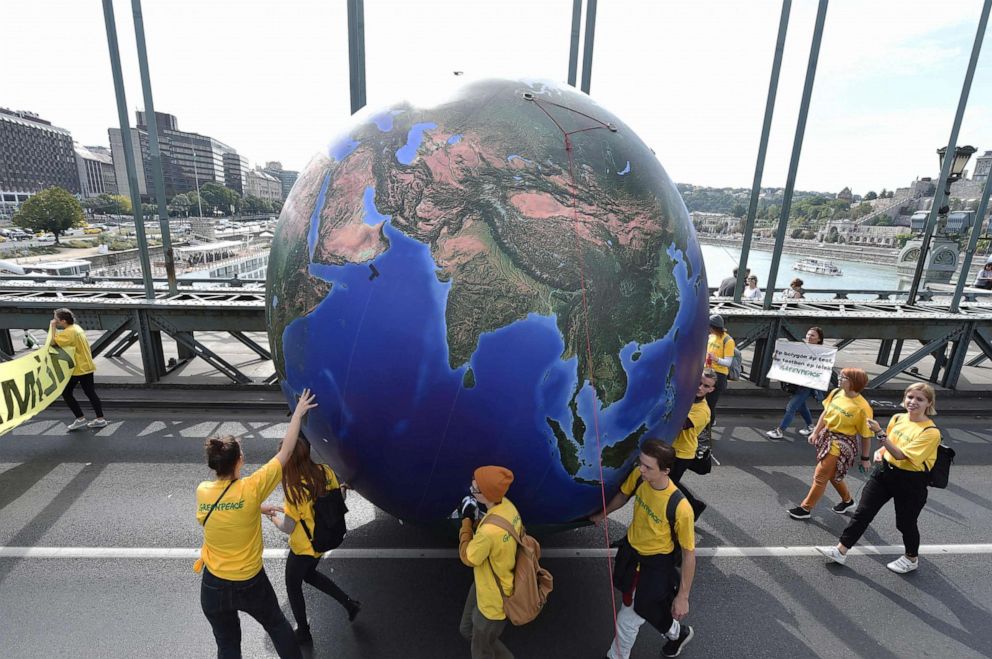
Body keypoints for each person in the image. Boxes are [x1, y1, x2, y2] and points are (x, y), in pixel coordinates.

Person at [195, 388, 318, 659]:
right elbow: (286, 451)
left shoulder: (203, 490)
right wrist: (297, 412)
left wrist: (256, 508)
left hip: (214, 584)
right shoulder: (252, 488)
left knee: (227, 646)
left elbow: (224, 510)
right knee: (276, 625)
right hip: (249, 581)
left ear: (213, 464)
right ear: (240, 460)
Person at [818, 384, 941, 574]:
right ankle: (841, 550)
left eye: (919, 399)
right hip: (885, 473)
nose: (913, 402)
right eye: (910, 397)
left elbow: (901, 455)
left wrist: (880, 434)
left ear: (929, 403)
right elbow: (891, 444)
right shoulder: (898, 418)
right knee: (863, 513)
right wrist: (880, 450)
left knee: (905, 523)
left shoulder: (930, 432)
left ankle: (911, 558)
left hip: (910, 481)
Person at [591, 440, 696, 659]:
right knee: (645, 607)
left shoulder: (680, 507)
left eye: (648, 467)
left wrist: (683, 597)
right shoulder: (639, 477)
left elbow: (688, 554)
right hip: (631, 553)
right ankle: (679, 634)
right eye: (641, 463)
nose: (642, 469)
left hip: (656, 564)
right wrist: (603, 514)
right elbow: (623, 494)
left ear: (666, 471)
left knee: (627, 618)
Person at [261, 437, 361, 645]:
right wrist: (343, 488)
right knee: (310, 576)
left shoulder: (294, 490)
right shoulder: (325, 471)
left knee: (293, 585)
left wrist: (271, 515)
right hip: (324, 540)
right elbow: (337, 499)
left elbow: (288, 527)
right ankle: (349, 604)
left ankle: (304, 632)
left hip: (304, 548)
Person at [788, 368, 872, 520]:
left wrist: (865, 458)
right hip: (827, 436)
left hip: (841, 443)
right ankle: (847, 500)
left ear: (854, 382)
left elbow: (866, 435)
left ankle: (805, 508)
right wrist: (815, 432)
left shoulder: (863, 407)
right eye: (840, 376)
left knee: (820, 476)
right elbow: (825, 414)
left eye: (843, 377)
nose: (839, 378)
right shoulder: (836, 393)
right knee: (832, 475)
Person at [457, 466, 519, 659]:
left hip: (492, 605)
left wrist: (466, 521)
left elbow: (468, 556)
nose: (471, 489)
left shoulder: (488, 533)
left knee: (481, 651)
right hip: (490, 584)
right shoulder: (508, 508)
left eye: (475, 489)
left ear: (487, 495)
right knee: (467, 630)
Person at [49, 308, 107, 430]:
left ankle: (80, 418)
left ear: (63, 321)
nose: (55, 321)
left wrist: (52, 326)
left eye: (56, 319)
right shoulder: (76, 328)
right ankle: (100, 419)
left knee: (66, 393)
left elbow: (52, 342)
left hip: (77, 369)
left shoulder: (68, 332)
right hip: (87, 366)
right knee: (90, 393)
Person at [670, 369, 717, 519]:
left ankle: (694, 506)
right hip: (671, 448)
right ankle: (694, 505)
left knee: (669, 484)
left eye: (705, 386)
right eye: (699, 382)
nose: (700, 387)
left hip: (682, 453)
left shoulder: (703, 410)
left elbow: (679, 424)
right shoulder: (686, 397)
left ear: (711, 389)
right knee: (669, 482)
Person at [766, 327, 825, 439]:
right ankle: (810, 426)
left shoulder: (822, 353)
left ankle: (780, 430)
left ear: (819, 339)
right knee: (801, 406)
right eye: (808, 334)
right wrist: (778, 357)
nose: (809, 337)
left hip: (807, 385)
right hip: (797, 383)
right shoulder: (800, 348)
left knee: (791, 407)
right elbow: (790, 360)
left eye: (812, 335)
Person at [701, 315, 734, 447]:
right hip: (707, 372)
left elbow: (728, 362)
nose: (708, 329)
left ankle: (706, 433)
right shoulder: (711, 337)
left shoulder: (728, 340)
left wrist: (716, 359)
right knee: (702, 402)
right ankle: (703, 429)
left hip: (718, 375)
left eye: (710, 327)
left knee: (710, 404)